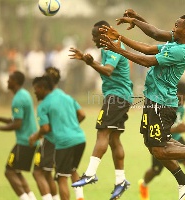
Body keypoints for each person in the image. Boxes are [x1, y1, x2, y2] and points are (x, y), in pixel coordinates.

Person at [100, 14, 185, 200]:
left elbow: (146, 60)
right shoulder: (175, 42)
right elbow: (149, 47)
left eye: (177, 25)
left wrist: (119, 49)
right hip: (153, 99)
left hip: (161, 102)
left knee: (159, 149)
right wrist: (121, 37)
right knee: (152, 145)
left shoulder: (182, 49)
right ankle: (183, 177)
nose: (173, 28)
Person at [69, 20, 133, 200]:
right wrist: (86, 59)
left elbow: (108, 71)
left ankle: (90, 173)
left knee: (102, 133)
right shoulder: (109, 48)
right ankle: (121, 180)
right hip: (122, 96)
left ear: (104, 35)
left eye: (95, 35)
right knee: (113, 139)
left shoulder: (112, 47)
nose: (93, 39)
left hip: (117, 96)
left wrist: (89, 63)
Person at [139, 82, 185, 200]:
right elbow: (160, 129)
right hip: (161, 140)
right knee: (155, 171)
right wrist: (177, 128)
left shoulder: (182, 104)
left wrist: (179, 127)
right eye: (179, 98)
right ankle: (143, 184)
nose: (181, 101)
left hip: (176, 139)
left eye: (184, 98)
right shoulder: (165, 105)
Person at [29, 75, 86, 200]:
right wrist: (71, 126)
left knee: (61, 177)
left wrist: (34, 137)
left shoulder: (43, 106)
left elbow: (45, 129)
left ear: (43, 87)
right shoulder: (65, 96)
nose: (35, 93)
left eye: (36, 89)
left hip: (64, 142)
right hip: (80, 139)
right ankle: (80, 197)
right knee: (72, 169)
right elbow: (82, 114)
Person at [0, 71, 38, 200]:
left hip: (25, 141)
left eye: (9, 79)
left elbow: (17, 124)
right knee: (16, 172)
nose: (7, 81)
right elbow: (17, 119)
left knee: (9, 172)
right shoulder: (24, 94)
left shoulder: (18, 99)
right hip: (31, 140)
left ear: (16, 82)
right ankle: (31, 197)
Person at [32, 67, 65, 200]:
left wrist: (35, 136)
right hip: (61, 139)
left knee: (38, 172)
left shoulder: (47, 101)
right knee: (47, 173)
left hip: (50, 140)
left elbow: (46, 128)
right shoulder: (61, 96)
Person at [118, 8, 185, 54]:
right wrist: (137, 18)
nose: (184, 18)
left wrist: (135, 20)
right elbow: (156, 32)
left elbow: (156, 34)